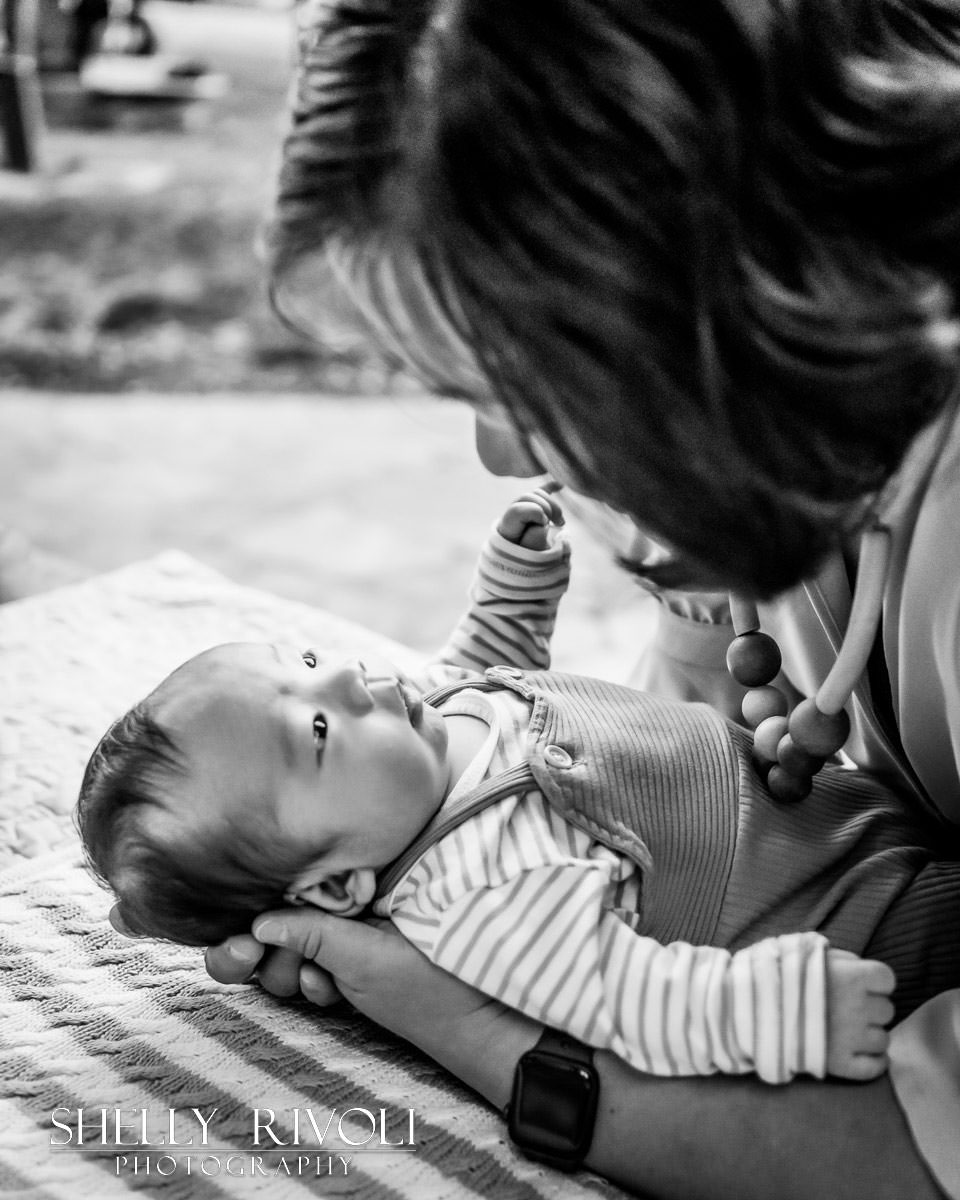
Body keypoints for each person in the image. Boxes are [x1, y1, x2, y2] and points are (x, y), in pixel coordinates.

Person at [201, 0, 960, 1196]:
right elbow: (690, 732)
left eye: (519, 375)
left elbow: (919, 1155)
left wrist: (466, 1026)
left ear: (712, 284)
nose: (500, 454)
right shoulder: (739, 446)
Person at [80, 487, 926, 1084]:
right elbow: (623, 998)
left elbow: (486, 661)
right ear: (338, 886)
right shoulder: (476, 896)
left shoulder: (424, 734)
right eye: (318, 732)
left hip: (847, 823)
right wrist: (796, 1014)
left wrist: (513, 582)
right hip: (862, 919)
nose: (346, 675)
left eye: (303, 662)